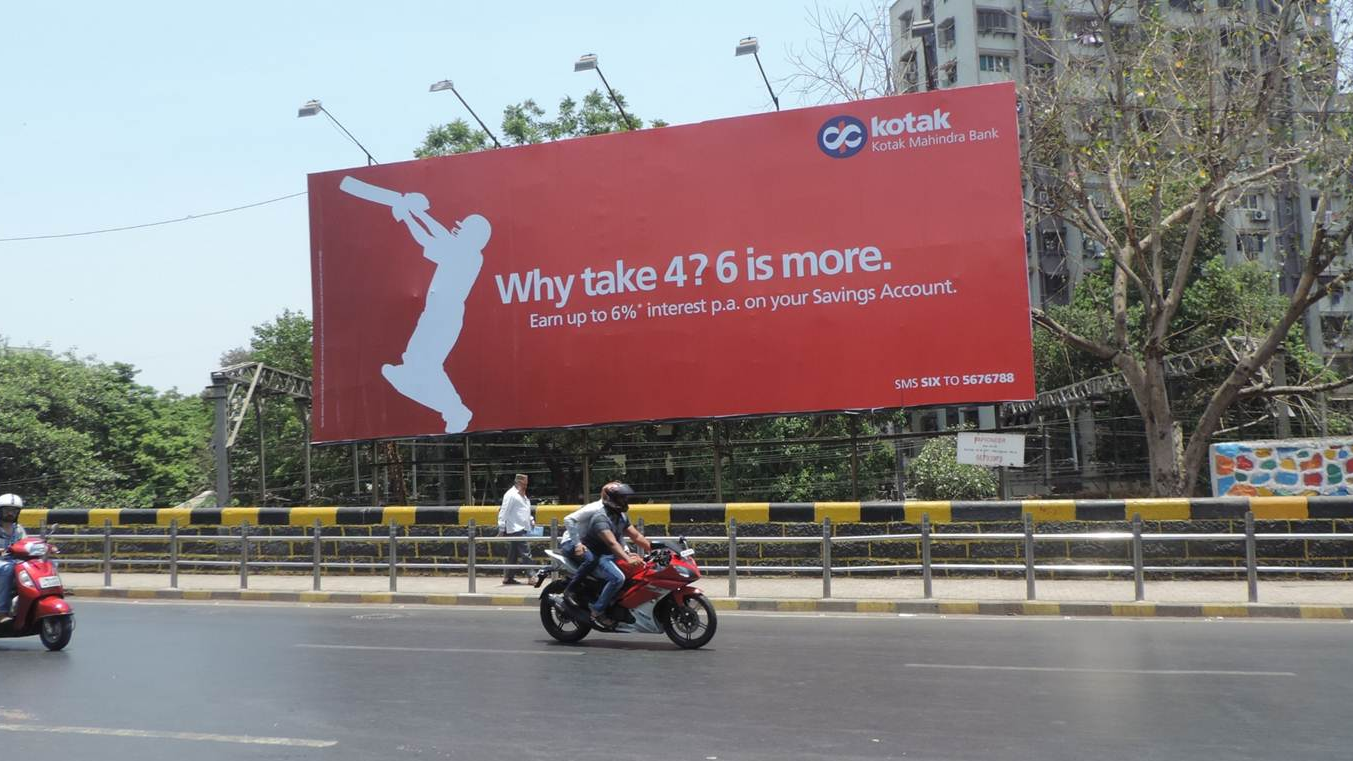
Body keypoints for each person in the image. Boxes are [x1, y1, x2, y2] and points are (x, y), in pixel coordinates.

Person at [576, 482, 651, 627]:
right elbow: (612, 543)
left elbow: (636, 536)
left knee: (639, 571)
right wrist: (628, 559)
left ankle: (619, 603)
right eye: (622, 498)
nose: (625, 501)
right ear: (613, 500)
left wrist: (653, 549)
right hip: (598, 556)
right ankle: (597, 611)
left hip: (611, 555)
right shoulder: (601, 518)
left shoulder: (621, 516)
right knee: (618, 578)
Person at [497, 474, 533, 585]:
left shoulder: (523, 496)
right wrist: (501, 528)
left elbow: (523, 510)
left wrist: (531, 519)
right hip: (516, 528)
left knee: (513, 554)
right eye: (524, 484)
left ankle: (508, 577)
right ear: (519, 483)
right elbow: (504, 511)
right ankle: (532, 576)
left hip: (522, 527)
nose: (526, 486)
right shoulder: (511, 495)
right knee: (526, 552)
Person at [0, 494, 27, 624]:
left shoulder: (19, 529)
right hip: (3, 563)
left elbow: (26, 544)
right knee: (8, 568)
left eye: (14, 511)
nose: (10, 513)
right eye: (7, 510)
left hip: (15, 561)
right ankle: (2, 612)